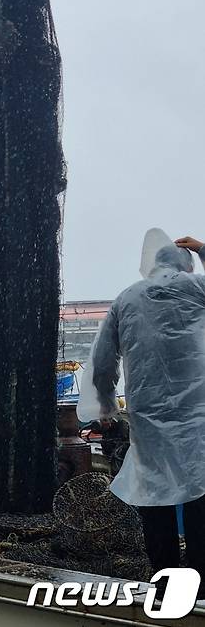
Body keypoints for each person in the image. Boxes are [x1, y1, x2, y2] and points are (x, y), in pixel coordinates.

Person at [84, 235, 205, 594]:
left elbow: (104, 362)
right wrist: (202, 248)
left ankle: (166, 579)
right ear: (186, 264)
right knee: (200, 493)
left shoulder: (127, 298)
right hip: (198, 414)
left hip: (149, 415)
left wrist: (106, 405)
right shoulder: (197, 288)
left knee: (155, 495)